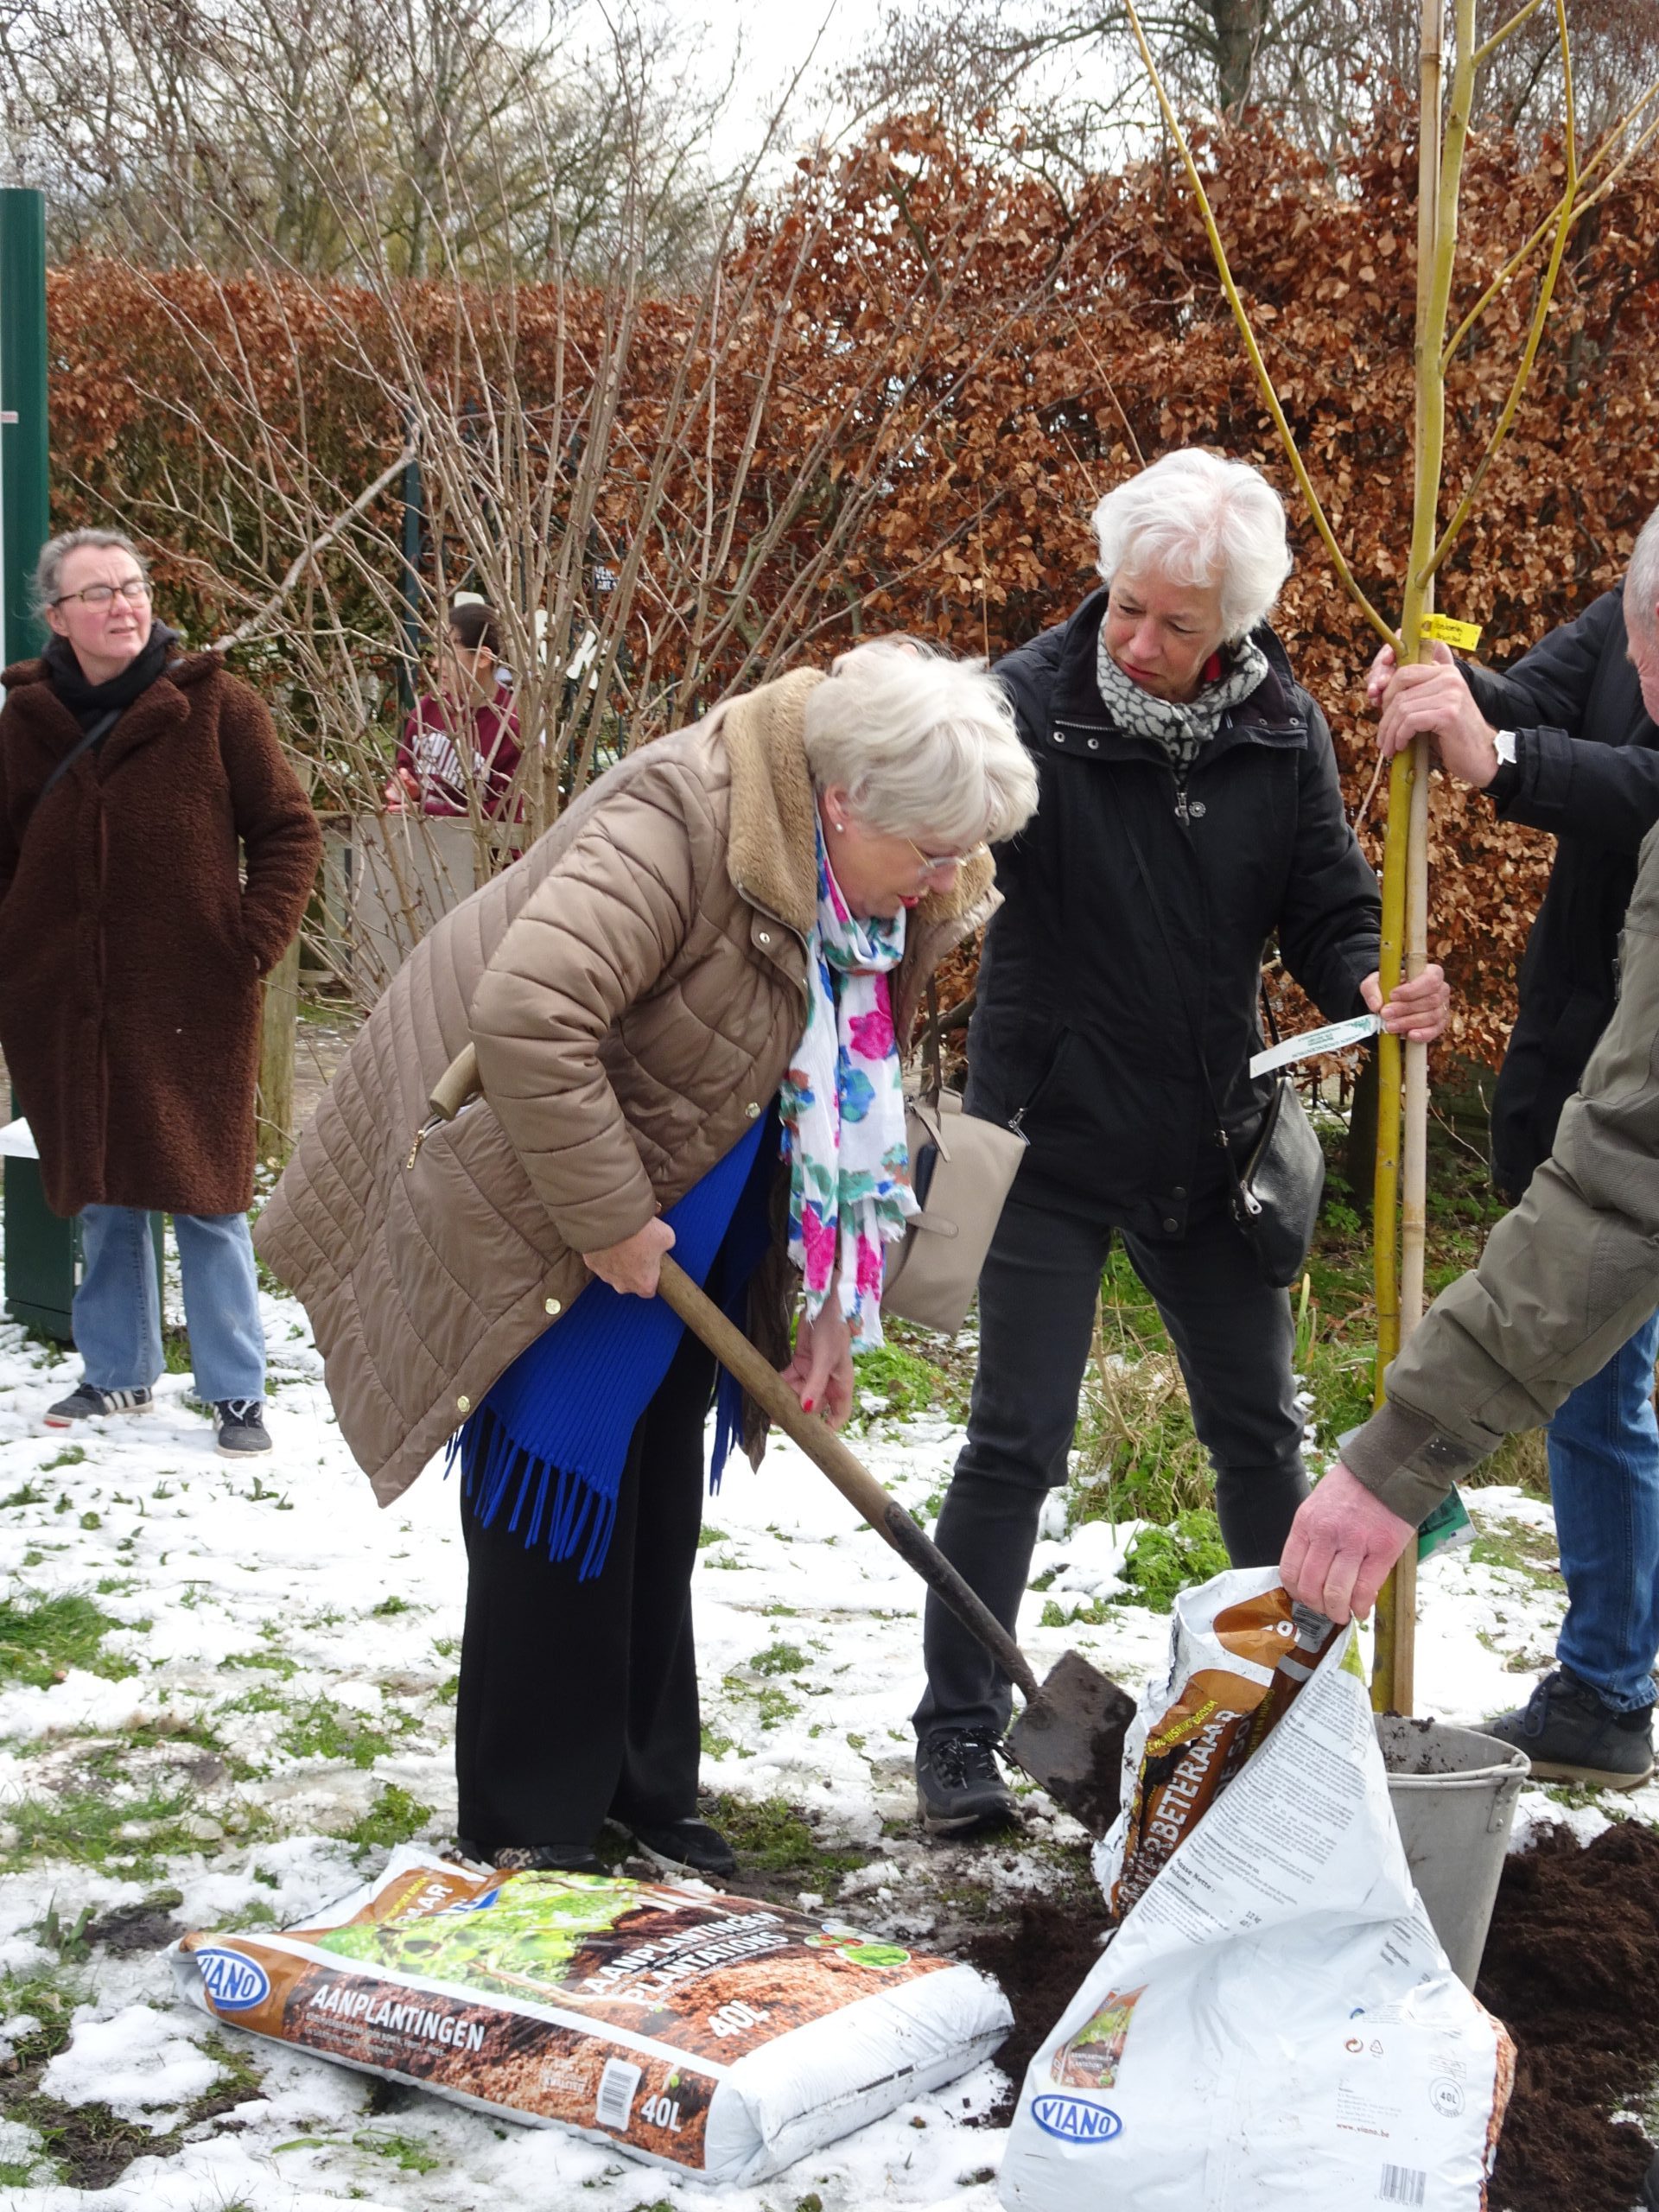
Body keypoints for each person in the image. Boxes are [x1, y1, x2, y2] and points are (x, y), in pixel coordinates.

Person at [256, 639, 1039, 1876]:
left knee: (659, 1478)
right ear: (844, 802)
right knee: (560, 1477)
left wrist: (828, 1303)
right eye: (934, 852)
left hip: (696, 1198)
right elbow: (531, 1014)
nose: (950, 880)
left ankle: (643, 1785)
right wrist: (610, 1215)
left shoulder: (873, 878)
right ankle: (534, 1817)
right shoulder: (684, 819)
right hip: (545, 1171)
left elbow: (838, 1097)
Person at [913, 448, 1451, 1836]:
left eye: (1178, 624)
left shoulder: (1282, 728)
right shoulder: (1024, 707)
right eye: (1127, 606)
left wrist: (1372, 976)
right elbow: (939, 866)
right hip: (1043, 1134)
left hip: (1213, 1140)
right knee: (1014, 1440)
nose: (1140, 642)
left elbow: (1327, 901)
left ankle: (1296, 1715)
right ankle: (956, 1738)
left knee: (1262, 1433)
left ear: (1238, 626)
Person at [1364, 544, 1659, 1784]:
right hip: (1595, 1061)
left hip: (1637, 1109)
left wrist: (1507, 757)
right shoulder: (1629, 609)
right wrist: (1448, 688)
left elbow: (1629, 778)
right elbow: (1527, 693)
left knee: (1605, 1393)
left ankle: (1611, 1685)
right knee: (1599, 1396)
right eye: (1644, 648)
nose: (1644, 674)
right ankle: (1607, 1684)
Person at [0, 527, 321, 1455]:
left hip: (195, 994)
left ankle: (235, 1390)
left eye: (133, 585)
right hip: (67, 999)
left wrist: (250, 943)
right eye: (98, 592)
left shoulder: (217, 705)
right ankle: (117, 1372)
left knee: (208, 1194)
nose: (124, 604)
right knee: (103, 1186)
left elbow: (289, 829)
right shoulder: (24, 723)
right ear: (59, 617)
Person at [388, 601, 522, 817]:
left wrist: (427, 811)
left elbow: (503, 814)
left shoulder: (511, 728)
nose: (436, 665)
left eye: (447, 654)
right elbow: (404, 766)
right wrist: (405, 787)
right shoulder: (431, 706)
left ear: (482, 658)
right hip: (418, 836)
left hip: (471, 840)